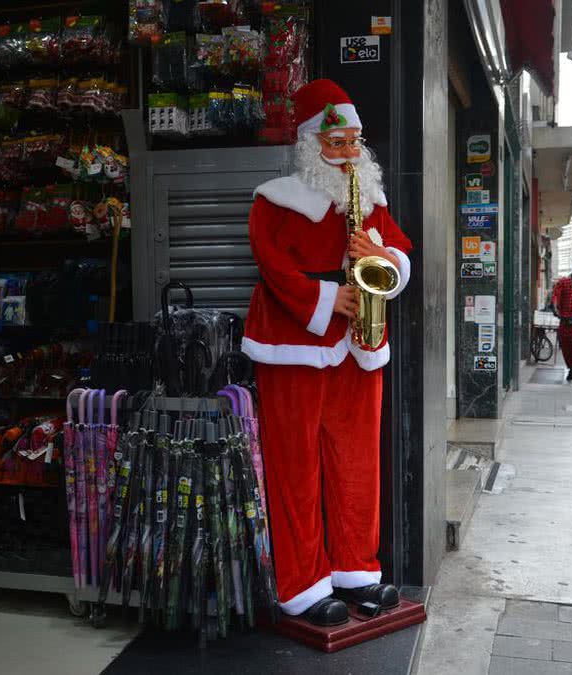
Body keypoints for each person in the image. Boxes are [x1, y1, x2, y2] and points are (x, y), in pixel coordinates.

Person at [242, 79, 412, 626]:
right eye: (336, 143)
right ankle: (303, 586)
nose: (348, 155)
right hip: (294, 343)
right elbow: (272, 265)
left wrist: (379, 256)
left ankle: (356, 572)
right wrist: (324, 298)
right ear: (311, 144)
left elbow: (401, 256)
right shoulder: (276, 200)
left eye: (354, 144)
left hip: (359, 342)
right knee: (295, 465)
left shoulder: (373, 202)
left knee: (358, 462)